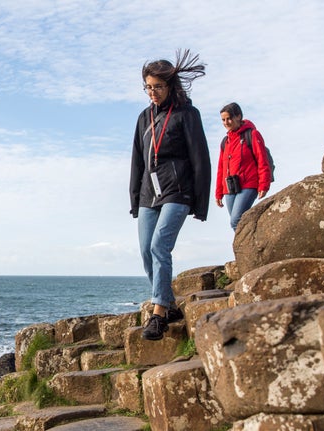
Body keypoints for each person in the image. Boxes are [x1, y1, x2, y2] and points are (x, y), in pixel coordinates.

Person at [129, 50, 211, 341]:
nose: (152, 92)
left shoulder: (188, 114)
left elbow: (200, 158)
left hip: (178, 190)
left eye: (158, 87)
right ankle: (170, 303)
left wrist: (200, 203)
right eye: (148, 87)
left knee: (159, 246)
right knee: (145, 251)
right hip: (149, 194)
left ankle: (159, 313)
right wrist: (134, 199)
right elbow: (137, 160)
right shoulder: (144, 118)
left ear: (171, 86)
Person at [215, 102, 271, 230]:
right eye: (223, 120)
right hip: (229, 188)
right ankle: (247, 248)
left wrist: (264, 184)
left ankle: (247, 249)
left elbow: (262, 160)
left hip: (248, 184)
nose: (226, 123)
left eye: (229, 118)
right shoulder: (225, 141)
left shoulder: (252, 134)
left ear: (238, 116)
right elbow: (221, 169)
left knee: (236, 220)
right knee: (239, 225)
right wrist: (218, 193)